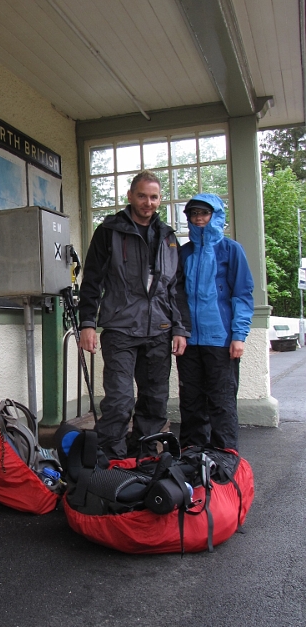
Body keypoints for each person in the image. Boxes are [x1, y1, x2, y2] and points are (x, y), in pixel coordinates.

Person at [78, 170, 191, 458]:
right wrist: (87, 324)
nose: (148, 202)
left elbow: (175, 288)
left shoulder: (168, 237)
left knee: (154, 401)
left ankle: (144, 458)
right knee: (118, 401)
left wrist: (180, 328)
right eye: (142, 196)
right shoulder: (109, 231)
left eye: (154, 197)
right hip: (120, 327)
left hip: (160, 327)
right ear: (130, 196)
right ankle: (112, 462)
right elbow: (92, 280)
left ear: (160, 199)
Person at [176, 193, 254, 451]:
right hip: (189, 341)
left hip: (220, 340)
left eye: (204, 213)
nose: (199, 219)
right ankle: (191, 458)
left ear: (215, 216)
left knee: (222, 403)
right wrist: (178, 330)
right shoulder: (183, 252)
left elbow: (242, 294)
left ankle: (225, 458)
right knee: (191, 402)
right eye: (194, 214)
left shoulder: (231, 250)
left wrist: (239, 335)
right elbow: (176, 295)